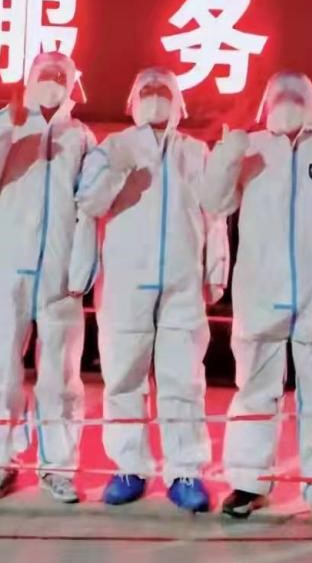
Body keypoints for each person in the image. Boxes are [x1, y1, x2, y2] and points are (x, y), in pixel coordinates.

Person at [201, 72, 312, 541]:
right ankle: (249, 482)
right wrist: (228, 153)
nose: (288, 102)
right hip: (260, 292)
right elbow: (213, 202)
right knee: (254, 391)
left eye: (298, 95)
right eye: (280, 95)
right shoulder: (249, 149)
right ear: (266, 103)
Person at [73, 67, 228, 512]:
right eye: (148, 90)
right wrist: (117, 169)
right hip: (124, 281)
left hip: (182, 282)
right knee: (124, 377)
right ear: (132, 100)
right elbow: (88, 202)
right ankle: (129, 466)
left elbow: (216, 215)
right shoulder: (112, 148)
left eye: (165, 91)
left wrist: (216, 270)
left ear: (180, 103)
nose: (156, 97)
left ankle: (185, 470)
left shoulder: (195, 152)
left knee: (184, 379)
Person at [0, 51, 97, 504]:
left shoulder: (81, 137)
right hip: (5, 267)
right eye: (45, 74)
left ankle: (58, 467)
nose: (53, 81)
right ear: (29, 79)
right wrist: (7, 124)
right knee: (0, 374)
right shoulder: (3, 125)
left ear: (72, 83)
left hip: (59, 274)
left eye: (61, 75)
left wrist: (82, 265)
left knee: (60, 378)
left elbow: (89, 208)